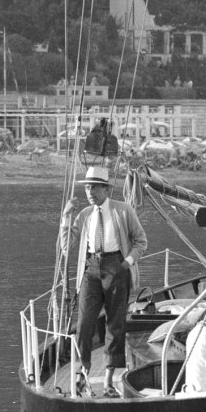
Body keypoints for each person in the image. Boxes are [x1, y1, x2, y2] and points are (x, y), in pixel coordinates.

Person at [60, 165, 147, 397]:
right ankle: (82, 374)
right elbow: (67, 247)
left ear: (106, 189)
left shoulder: (123, 211)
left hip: (116, 267)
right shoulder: (84, 215)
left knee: (115, 324)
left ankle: (108, 381)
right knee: (85, 323)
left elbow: (141, 241)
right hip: (90, 269)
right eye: (87, 187)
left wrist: (126, 263)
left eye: (95, 187)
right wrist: (66, 218)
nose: (90, 192)